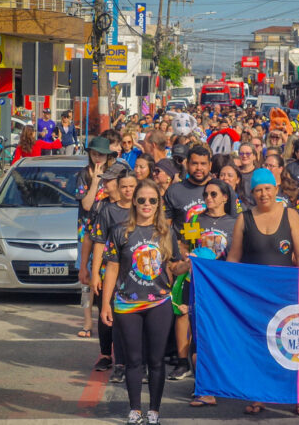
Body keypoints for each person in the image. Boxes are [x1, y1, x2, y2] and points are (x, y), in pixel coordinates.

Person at [101, 179, 191, 425]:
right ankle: (134, 411)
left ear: (159, 203)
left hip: (159, 303)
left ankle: (154, 412)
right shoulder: (120, 231)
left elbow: (174, 266)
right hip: (127, 303)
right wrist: (106, 304)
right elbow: (111, 268)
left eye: (152, 200)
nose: (147, 204)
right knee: (133, 360)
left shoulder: (165, 232)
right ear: (134, 202)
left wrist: (189, 263)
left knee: (156, 360)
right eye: (141, 199)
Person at [226, 168, 299, 416]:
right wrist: (223, 283)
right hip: (254, 296)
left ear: (276, 189)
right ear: (252, 193)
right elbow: (234, 257)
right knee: (258, 345)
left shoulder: (291, 216)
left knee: (292, 343)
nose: (263, 194)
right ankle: (258, 394)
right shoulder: (245, 219)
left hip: (286, 293)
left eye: (267, 189)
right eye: (258, 190)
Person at [163, 145, 212, 381]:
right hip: (186, 264)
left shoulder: (220, 189)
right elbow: (164, 228)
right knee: (182, 311)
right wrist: (177, 252)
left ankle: (205, 361)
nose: (199, 168)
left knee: (209, 314)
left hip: (215, 268)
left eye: (203, 163)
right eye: (194, 163)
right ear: (187, 164)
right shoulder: (175, 191)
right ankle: (182, 361)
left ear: (210, 165)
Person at [188, 178, 236, 408]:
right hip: (199, 287)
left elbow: (238, 257)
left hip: (223, 288)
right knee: (199, 335)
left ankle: (222, 382)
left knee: (223, 335)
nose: (208, 198)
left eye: (214, 194)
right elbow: (188, 247)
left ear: (226, 197)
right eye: (206, 194)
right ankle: (204, 387)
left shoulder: (236, 223)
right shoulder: (196, 219)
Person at [89, 164, 136, 382]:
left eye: (132, 186)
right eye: (124, 186)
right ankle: (108, 356)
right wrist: (94, 273)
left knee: (131, 318)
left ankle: (133, 362)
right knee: (108, 313)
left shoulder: (145, 208)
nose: (128, 190)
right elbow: (98, 242)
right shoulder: (108, 210)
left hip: (137, 273)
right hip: (111, 269)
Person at [75, 137, 118, 338]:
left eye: (100, 154)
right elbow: (86, 205)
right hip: (87, 234)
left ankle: (108, 315)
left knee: (104, 276)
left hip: (108, 234)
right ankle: (86, 321)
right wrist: (94, 182)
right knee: (85, 281)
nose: (97, 157)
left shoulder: (115, 175)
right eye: (93, 153)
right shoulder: (84, 174)